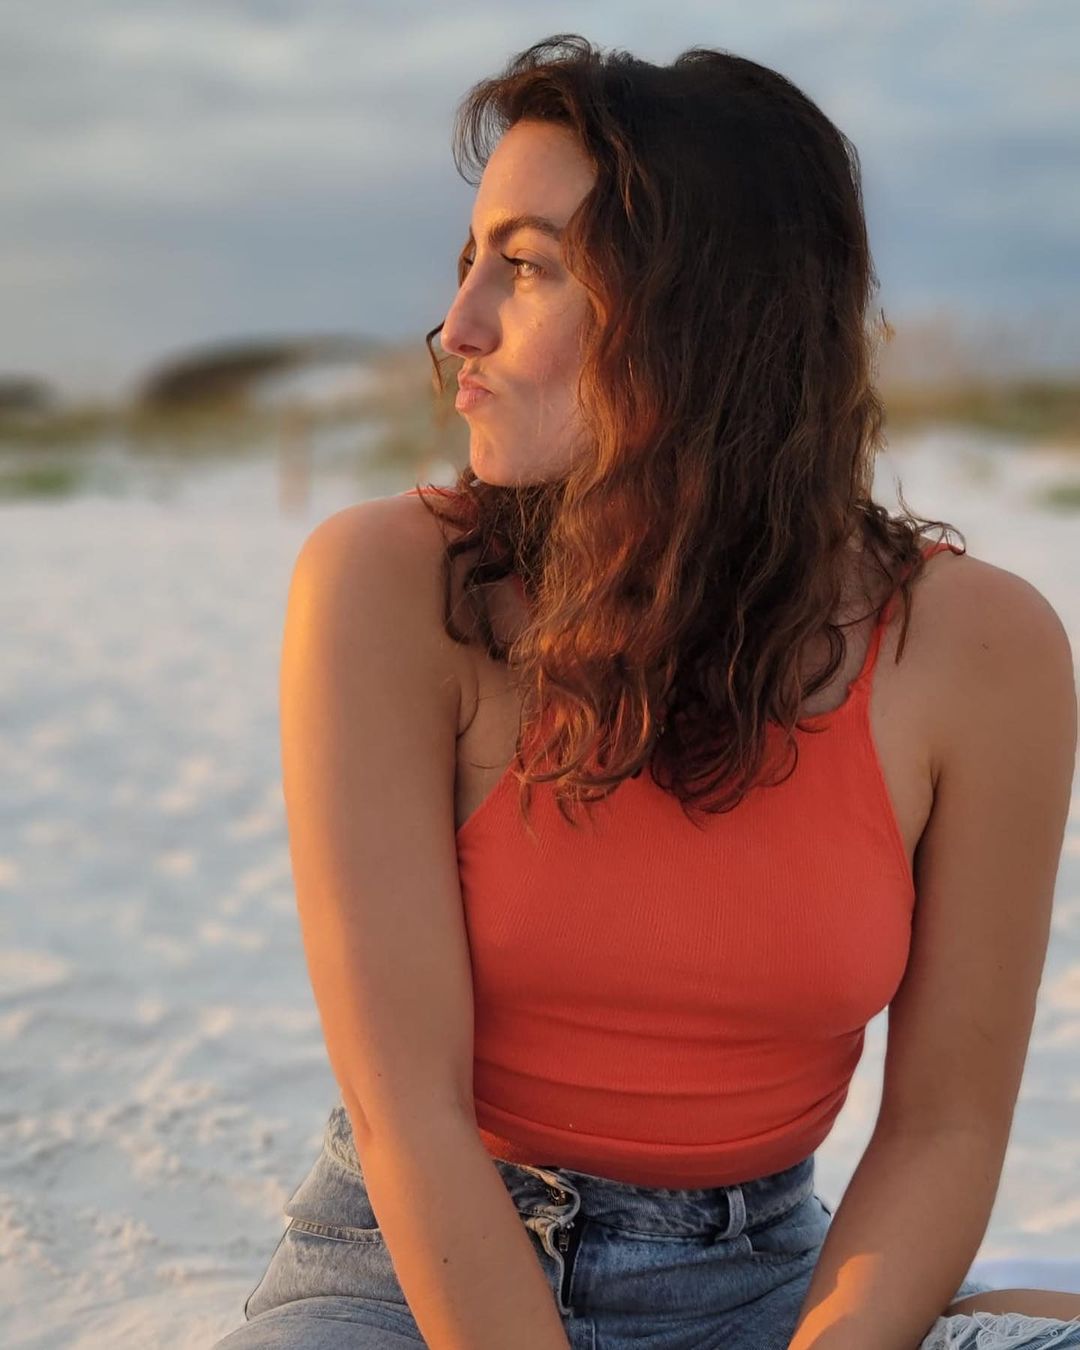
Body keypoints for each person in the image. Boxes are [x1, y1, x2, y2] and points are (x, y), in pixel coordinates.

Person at [213, 35, 1079, 1350]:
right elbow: (408, 1111)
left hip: (766, 1283)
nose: (456, 329)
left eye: (524, 266)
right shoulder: (386, 588)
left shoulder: (979, 651)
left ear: (707, 309)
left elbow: (946, 1126)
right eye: (468, 261)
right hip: (410, 1273)